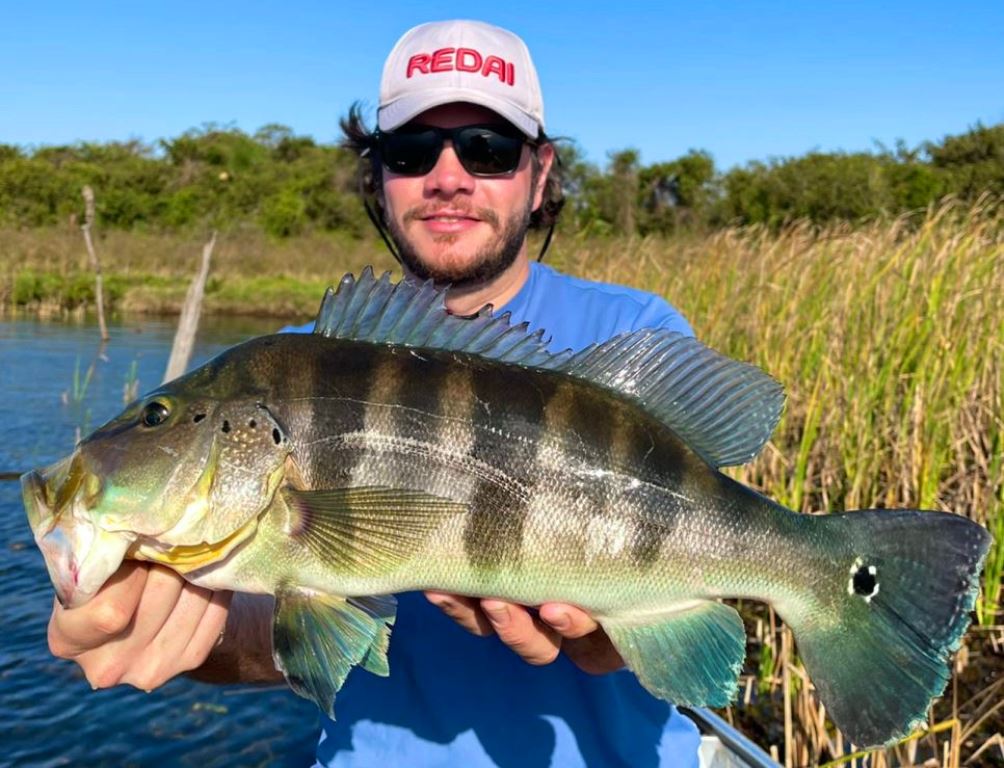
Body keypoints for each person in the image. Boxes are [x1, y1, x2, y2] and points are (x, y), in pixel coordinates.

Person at [46, 19, 702, 767]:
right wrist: (177, 628)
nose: (448, 177)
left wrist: (619, 637)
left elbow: (694, 555)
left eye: (488, 149)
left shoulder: (633, 338)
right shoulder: (292, 366)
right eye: (412, 150)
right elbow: (270, 633)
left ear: (541, 170)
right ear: (376, 173)